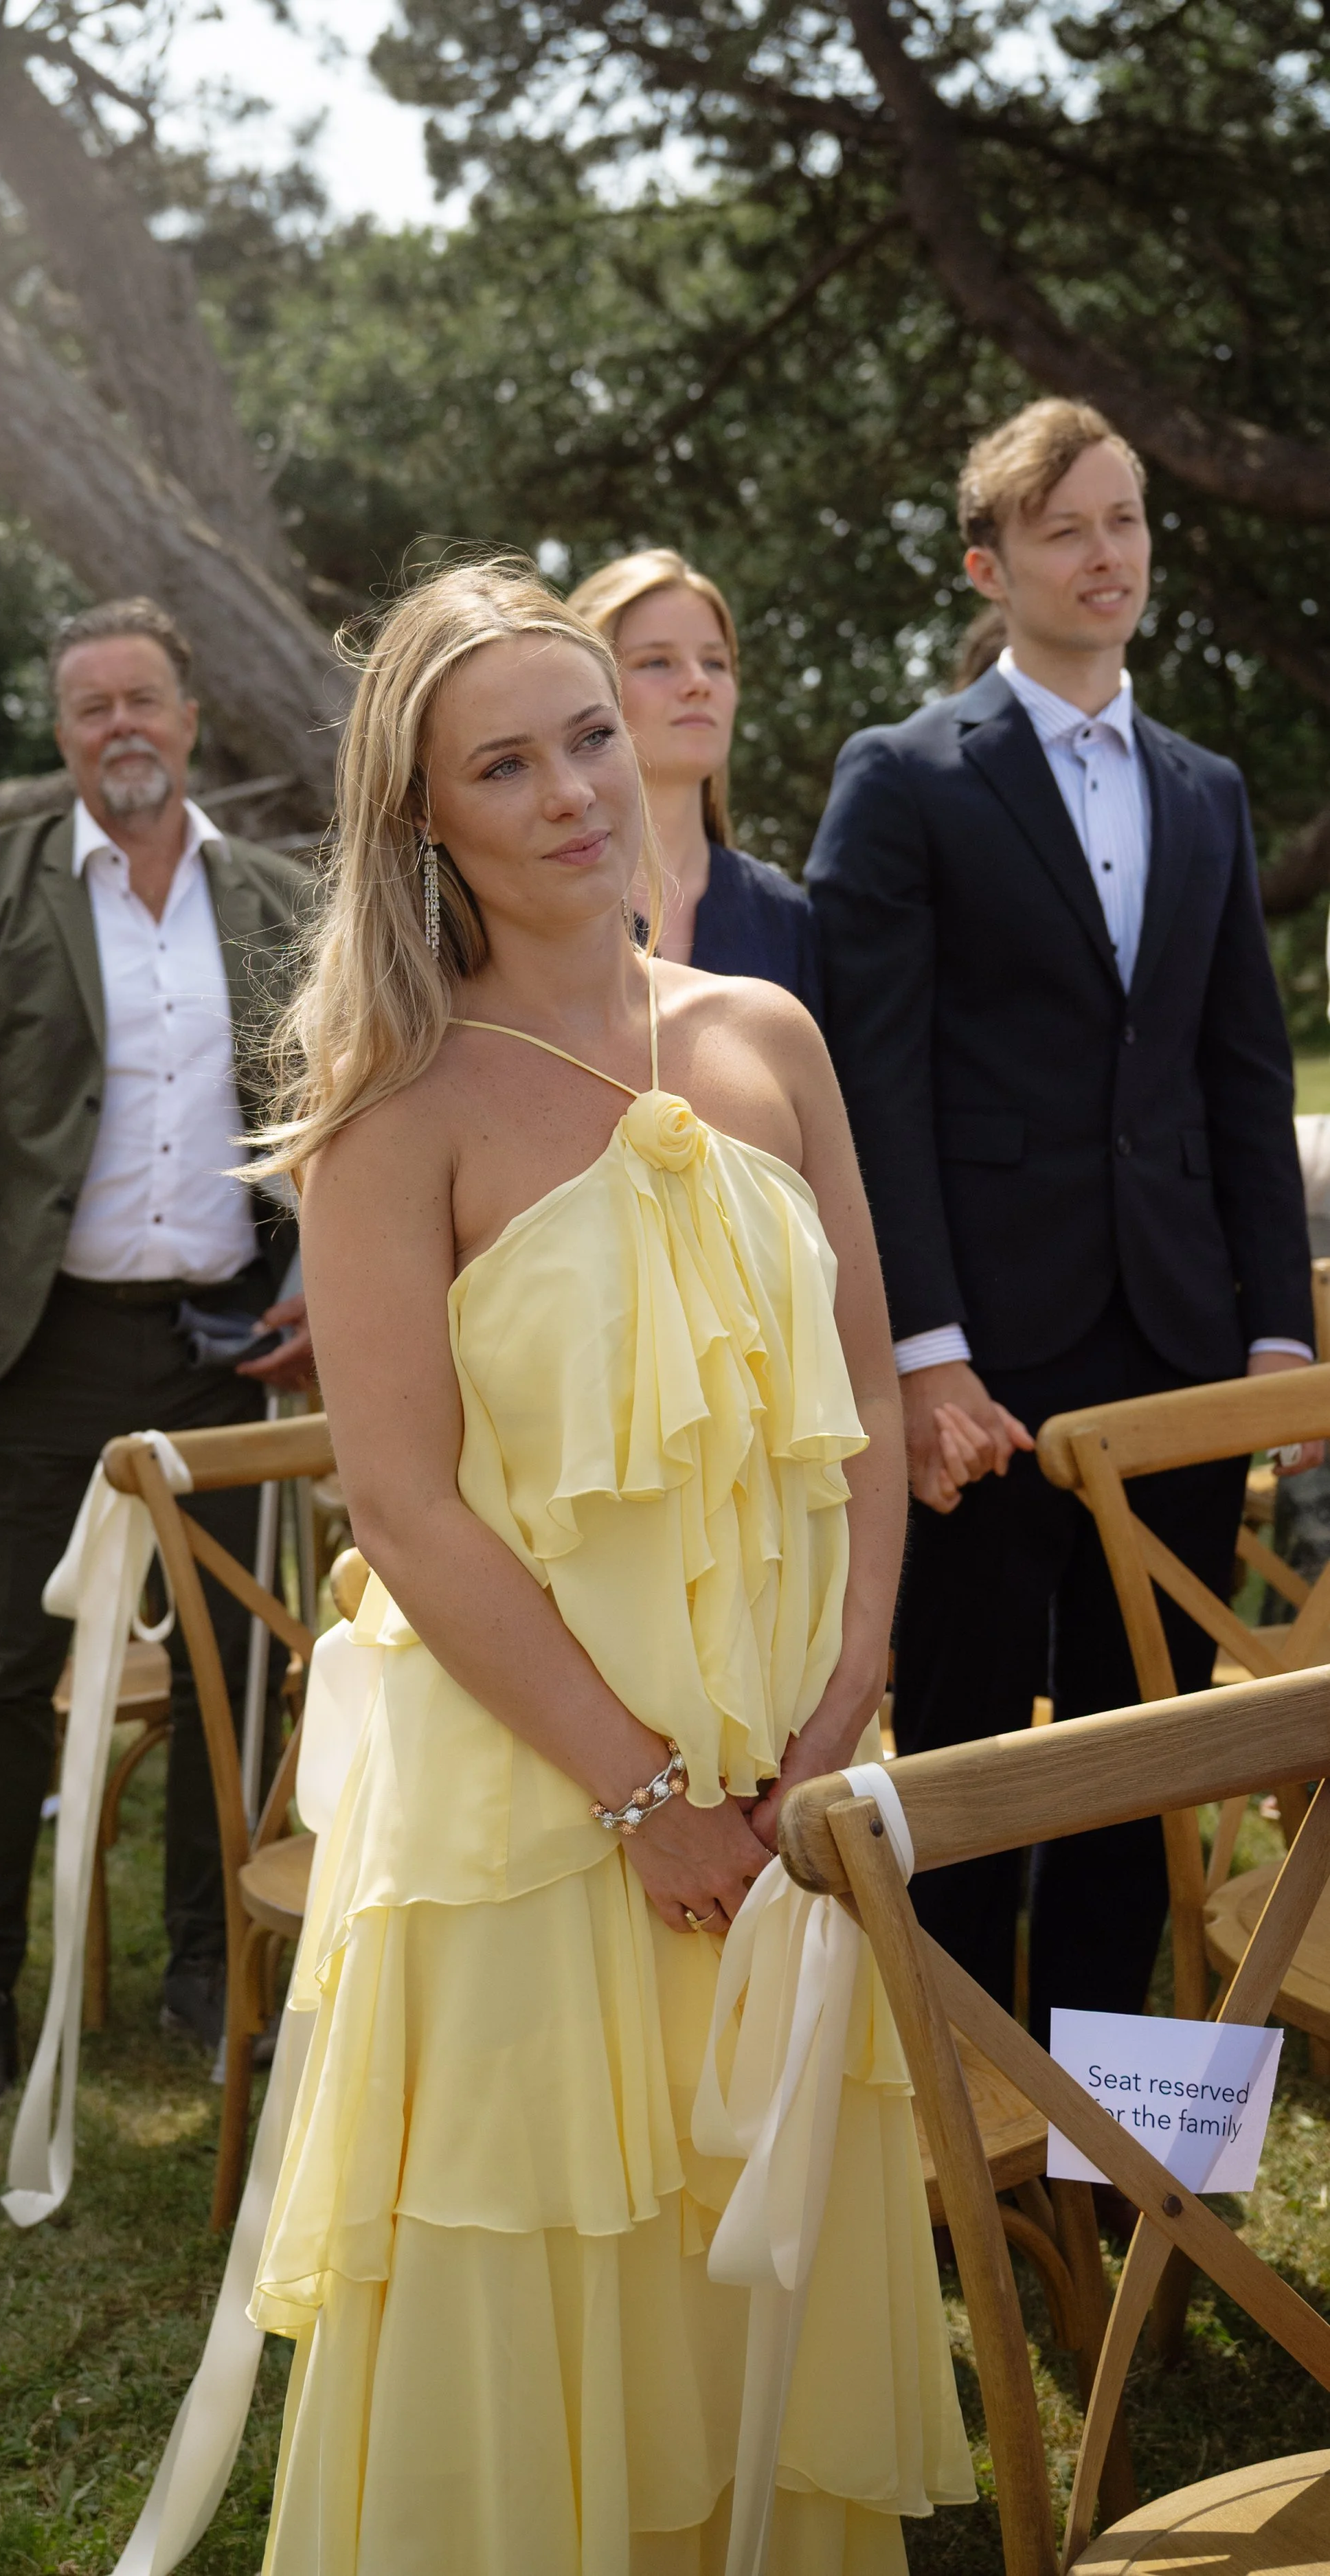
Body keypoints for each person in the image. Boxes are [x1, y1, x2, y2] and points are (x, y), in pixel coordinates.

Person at [243, 561, 970, 2568]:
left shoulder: (768, 1033)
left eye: (586, 731)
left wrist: (839, 1701)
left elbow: (861, 1388)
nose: (574, 785)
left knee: (754, 2260)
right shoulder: (390, 1115)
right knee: (547, 2258)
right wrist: (641, 1796)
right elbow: (403, 1505)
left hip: (789, 1770)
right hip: (543, 1803)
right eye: (507, 759)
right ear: (423, 815)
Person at [806, 400, 1316, 2033]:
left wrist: (1275, 1331)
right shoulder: (902, 778)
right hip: (985, 1369)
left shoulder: (1207, 788)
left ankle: (1113, 2124)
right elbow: (868, 1092)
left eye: (1127, 522)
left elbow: (1243, 1070)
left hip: (1178, 1338)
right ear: (990, 563)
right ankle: (959, 2134)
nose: (1110, 557)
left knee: (1142, 1744)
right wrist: (924, 1353)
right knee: (965, 1747)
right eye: (1067, 530)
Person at [0, 596, 315, 2129]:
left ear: (190, 718)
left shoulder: (266, 897)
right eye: (85, 706)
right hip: (35, 1355)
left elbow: (330, 1114)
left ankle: (207, 1975)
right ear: (60, 734)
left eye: (141, 698)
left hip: (222, 1355)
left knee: (227, 1675)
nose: (117, 725)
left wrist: (315, 1276)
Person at [567, 547, 823, 1015]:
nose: (697, 683)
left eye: (715, 663)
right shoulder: (538, 904)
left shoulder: (785, 917)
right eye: (657, 662)